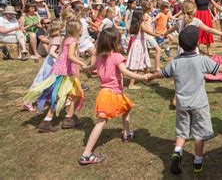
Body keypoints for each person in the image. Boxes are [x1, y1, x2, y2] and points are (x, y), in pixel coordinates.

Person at [149, 25, 222, 174]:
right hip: (199, 104)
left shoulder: (175, 61)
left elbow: (162, 73)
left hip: (181, 104)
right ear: (198, 44)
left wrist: (151, 76)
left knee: (181, 131)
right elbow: (221, 69)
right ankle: (198, 161)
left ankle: (177, 151)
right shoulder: (202, 60)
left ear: (180, 45)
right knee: (199, 134)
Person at [79, 28, 152, 165]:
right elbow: (127, 72)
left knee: (127, 108)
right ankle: (86, 154)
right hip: (110, 94)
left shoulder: (100, 57)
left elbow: (92, 67)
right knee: (101, 122)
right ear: (115, 42)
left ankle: (126, 134)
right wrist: (143, 77)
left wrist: (85, 68)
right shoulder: (117, 57)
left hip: (110, 93)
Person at [23, 20, 87, 132]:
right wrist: (82, 63)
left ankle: (64, 119)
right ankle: (54, 121)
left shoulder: (66, 39)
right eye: (81, 28)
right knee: (67, 95)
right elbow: (71, 56)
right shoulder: (72, 41)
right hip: (65, 72)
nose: (82, 30)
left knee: (68, 95)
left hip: (62, 70)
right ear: (76, 30)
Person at [21, 20, 62, 112]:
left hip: (49, 62)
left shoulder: (53, 38)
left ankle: (47, 97)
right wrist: (59, 58)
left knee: (46, 81)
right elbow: (52, 52)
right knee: (42, 82)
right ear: (58, 29)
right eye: (61, 27)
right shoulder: (57, 39)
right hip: (52, 63)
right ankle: (28, 102)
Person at [126, 9, 159, 89]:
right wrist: (156, 35)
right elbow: (147, 31)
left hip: (139, 45)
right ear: (140, 17)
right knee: (136, 65)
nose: (145, 16)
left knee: (145, 64)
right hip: (139, 47)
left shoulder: (135, 24)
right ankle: (131, 84)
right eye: (143, 15)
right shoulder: (141, 25)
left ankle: (147, 80)